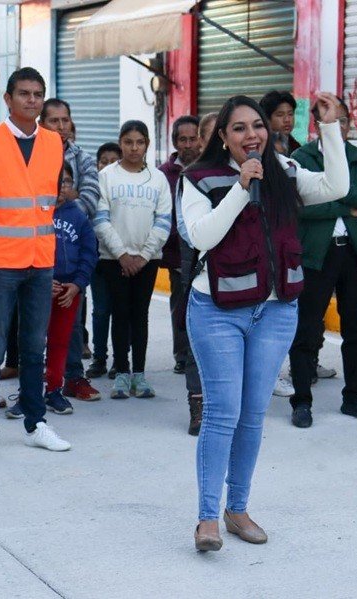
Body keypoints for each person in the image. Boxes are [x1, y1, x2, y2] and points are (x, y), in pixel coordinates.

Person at [180, 92, 348, 551]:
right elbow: (201, 237)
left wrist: (329, 129)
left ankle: (237, 509)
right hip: (217, 311)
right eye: (239, 128)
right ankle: (207, 519)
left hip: (275, 311)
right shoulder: (199, 178)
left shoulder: (286, 170)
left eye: (257, 125)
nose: (251, 134)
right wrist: (240, 187)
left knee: (253, 415)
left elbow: (336, 186)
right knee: (222, 413)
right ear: (223, 136)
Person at [0, 67, 72, 461]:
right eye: (24, 93)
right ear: (8, 99)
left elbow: (48, 198)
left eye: (38, 94)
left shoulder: (54, 143)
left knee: (34, 347)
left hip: (40, 260)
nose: (31, 100)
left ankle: (35, 424)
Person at [287, 95, 357, 428]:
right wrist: (345, 206)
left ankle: (353, 398)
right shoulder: (302, 158)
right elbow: (301, 206)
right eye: (331, 120)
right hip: (317, 253)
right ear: (318, 125)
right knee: (307, 327)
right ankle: (302, 401)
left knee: (354, 327)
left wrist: (335, 192)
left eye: (343, 120)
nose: (338, 126)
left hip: (352, 251)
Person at [94, 120, 171, 400]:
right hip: (113, 259)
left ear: (147, 144)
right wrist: (122, 255)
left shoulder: (158, 179)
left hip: (147, 260)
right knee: (119, 313)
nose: (134, 148)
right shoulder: (106, 177)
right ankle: (121, 373)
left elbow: (163, 221)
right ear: (120, 143)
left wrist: (144, 256)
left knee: (140, 315)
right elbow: (100, 219)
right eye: (128, 142)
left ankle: (139, 373)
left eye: (140, 142)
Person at [37, 98, 101, 401]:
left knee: (72, 326)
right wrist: (61, 197)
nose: (61, 126)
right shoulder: (32, 154)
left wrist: (64, 206)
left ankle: (73, 377)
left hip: (71, 260)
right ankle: (39, 381)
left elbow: (90, 198)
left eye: (66, 120)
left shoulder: (83, 158)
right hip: (36, 263)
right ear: (42, 124)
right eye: (54, 121)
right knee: (34, 328)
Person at [159, 115, 205, 433]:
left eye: (194, 138)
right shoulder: (166, 174)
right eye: (183, 140)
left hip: (213, 259)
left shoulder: (214, 170)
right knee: (183, 311)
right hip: (180, 256)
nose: (189, 145)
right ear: (175, 142)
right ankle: (184, 357)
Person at [41, 164, 97, 414]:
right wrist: (42, 281)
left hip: (69, 291)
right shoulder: (36, 213)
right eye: (55, 181)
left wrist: (78, 284)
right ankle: (28, 392)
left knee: (60, 342)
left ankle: (54, 390)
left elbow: (89, 252)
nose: (60, 187)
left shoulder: (78, 216)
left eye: (65, 182)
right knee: (32, 343)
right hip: (39, 288)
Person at [86, 141, 122, 380]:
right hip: (98, 259)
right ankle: (99, 358)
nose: (108, 166)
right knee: (100, 310)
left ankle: (120, 360)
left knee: (121, 311)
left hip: (121, 258)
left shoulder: (125, 188)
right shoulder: (91, 189)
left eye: (113, 161)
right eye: (103, 162)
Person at [259, 90, 300, 156]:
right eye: (280, 115)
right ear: (267, 118)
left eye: (290, 114)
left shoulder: (297, 148)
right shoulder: (259, 147)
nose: (287, 120)